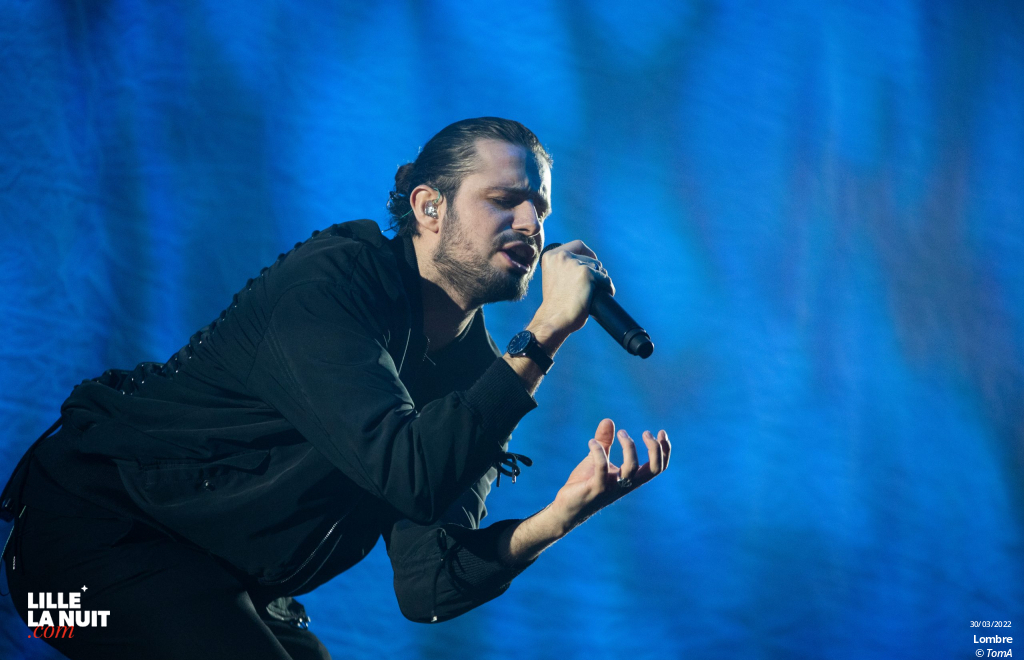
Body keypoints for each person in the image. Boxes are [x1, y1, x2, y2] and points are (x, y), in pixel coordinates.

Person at [1, 117, 671, 659]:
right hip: (81, 565)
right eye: (504, 200)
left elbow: (428, 583)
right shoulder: (332, 286)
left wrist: (556, 519)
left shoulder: (477, 374)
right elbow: (407, 471)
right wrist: (549, 329)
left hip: (222, 580)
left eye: (541, 208)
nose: (532, 223)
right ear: (428, 206)